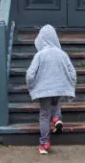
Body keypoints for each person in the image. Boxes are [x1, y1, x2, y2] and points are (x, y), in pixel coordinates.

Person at [25, 24, 76, 155]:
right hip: (58, 88)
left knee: (44, 114)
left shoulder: (40, 55)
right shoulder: (62, 54)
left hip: (44, 90)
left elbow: (30, 74)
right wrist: (71, 85)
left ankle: (44, 143)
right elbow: (72, 72)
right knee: (56, 102)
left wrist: (31, 86)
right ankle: (57, 119)